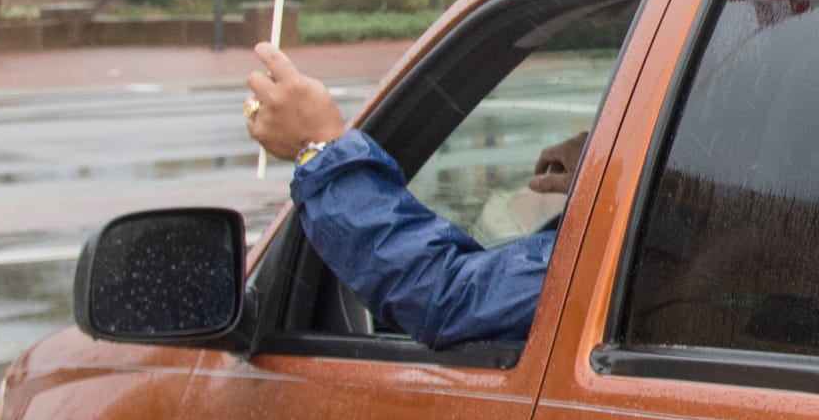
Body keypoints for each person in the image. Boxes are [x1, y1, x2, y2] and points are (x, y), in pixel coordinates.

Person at [243, 40, 580, 349]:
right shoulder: (627, 245)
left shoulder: (624, 258)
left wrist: (318, 149)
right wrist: (615, 167)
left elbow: (449, 297)